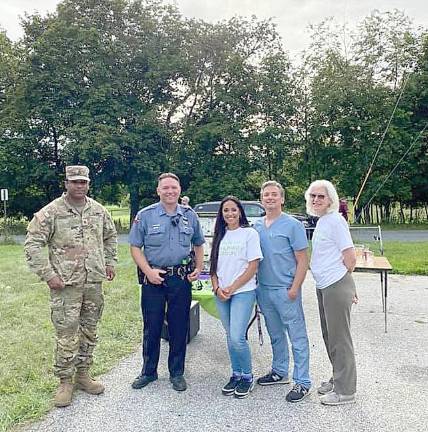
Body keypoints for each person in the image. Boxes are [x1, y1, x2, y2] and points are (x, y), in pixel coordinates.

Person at [24, 165, 118, 408]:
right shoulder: (51, 212)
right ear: (66, 183)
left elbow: (110, 236)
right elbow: (33, 243)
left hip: (93, 282)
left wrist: (110, 262)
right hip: (65, 285)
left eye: (83, 182)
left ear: (88, 183)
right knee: (67, 334)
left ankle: (83, 375)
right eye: (74, 181)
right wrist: (48, 274)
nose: (79, 186)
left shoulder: (98, 211)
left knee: (89, 330)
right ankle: (65, 381)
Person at [129, 173, 205, 392]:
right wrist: (148, 272)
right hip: (154, 278)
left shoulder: (190, 216)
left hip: (180, 278)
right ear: (158, 190)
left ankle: (177, 372)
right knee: (151, 325)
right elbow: (135, 246)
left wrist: (198, 268)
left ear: (179, 190)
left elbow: (199, 244)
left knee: (179, 326)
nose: (170, 191)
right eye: (166, 188)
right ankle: (149, 372)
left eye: (174, 187)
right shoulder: (145, 215)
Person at [254, 180, 312, 403]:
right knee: (275, 334)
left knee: (297, 337)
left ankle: (303, 381)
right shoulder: (256, 226)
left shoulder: (292, 225)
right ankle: (279, 371)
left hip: (286, 289)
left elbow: (302, 260)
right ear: (262, 199)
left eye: (274, 195)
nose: (270, 198)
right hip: (264, 289)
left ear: (282, 199)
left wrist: (295, 288)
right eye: (266, 194)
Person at [305, 180, 357, 406]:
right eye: (312, 196)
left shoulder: (336, 220)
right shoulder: (323, 221)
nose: (316, 200)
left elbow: (350, 258)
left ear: (331, 200)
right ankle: (338, 378)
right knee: (329, 336)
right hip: (324, 285)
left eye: (321, 197)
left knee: (340, 338)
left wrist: (345, 285)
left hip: (335, 285)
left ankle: (346, 391)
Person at [210, 196, 263, 399]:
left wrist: (232, 287)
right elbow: (213, 266)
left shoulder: (249, 234)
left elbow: (253, 266)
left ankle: (248, 376)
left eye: (233, 210)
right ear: (221, 215)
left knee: (237, 337)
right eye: (226, 211)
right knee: (229, 336)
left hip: (242, 292)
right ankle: (236, 373)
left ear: (240, 211)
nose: (230, 214)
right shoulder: (220, 235)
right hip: (221, 293)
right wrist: (216, 288)